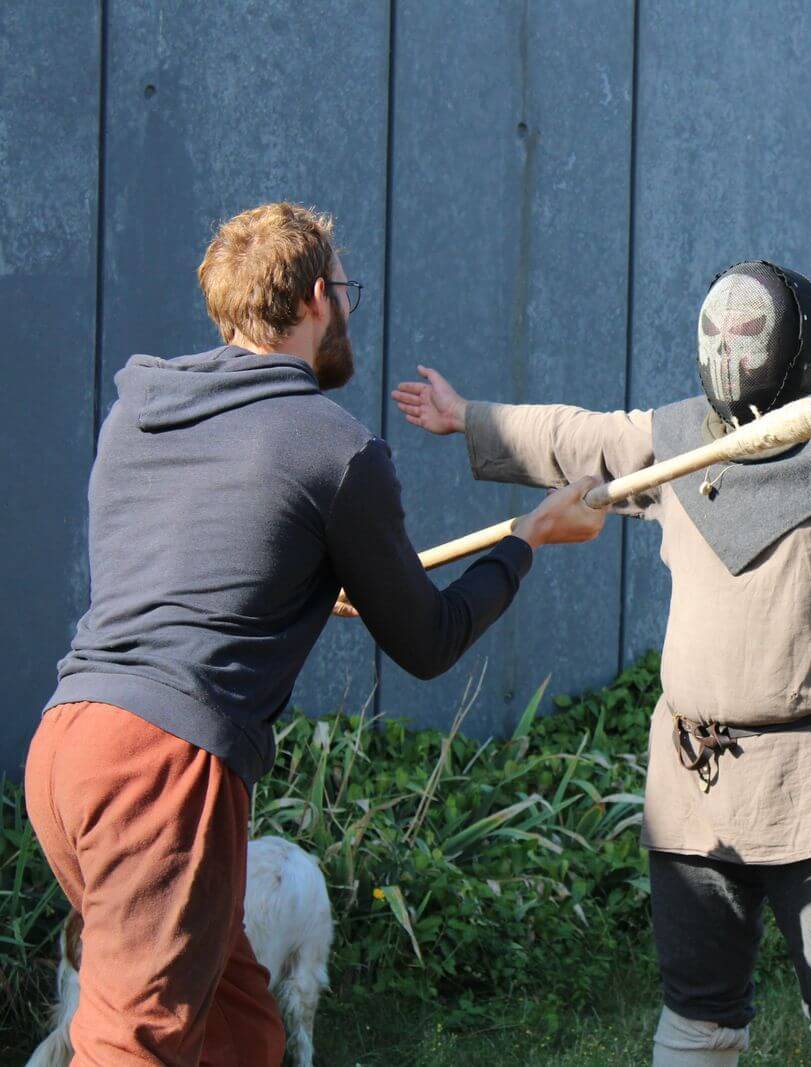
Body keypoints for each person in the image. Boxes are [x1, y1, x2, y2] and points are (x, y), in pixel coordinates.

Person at [392, 260, 811, 1067]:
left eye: (748, 334)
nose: (730, 350)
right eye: (720, 334)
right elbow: (582, 438)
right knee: (698, 1010)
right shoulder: (678, 448)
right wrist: (470, 418)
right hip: (694, 781)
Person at [25, 202, 606, 1066]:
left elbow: (197, 568)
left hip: (69, 745)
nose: (346, 310)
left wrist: (306, 584)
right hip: (164, 767)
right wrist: (528, 539)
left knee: (239, 1029)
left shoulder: (140, 413)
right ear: (314, 300)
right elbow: (429, 639)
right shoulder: (334, 448)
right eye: (345, 290)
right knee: (133, 1044)